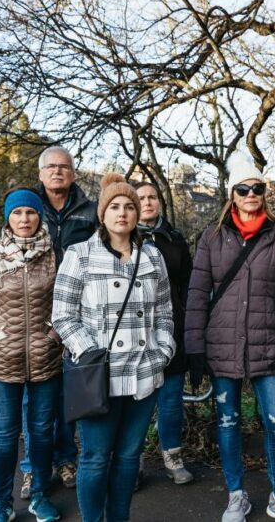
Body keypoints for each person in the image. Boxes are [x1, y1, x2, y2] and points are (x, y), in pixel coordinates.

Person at [185, 152, 275, 522]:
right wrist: (195, 348)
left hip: (268, 345)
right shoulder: (212, 236)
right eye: (244, 188)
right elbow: (196, 293)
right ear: (232, 194)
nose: (252, 194)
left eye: (258, 187)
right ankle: (236, 495)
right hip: (221, 344)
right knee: (227, 422)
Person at [52, 173, 175, 522]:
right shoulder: (80, 254)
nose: (122, 212)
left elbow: (165, 311)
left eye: (129, 207)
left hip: (143, 373)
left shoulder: (152, 257)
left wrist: (162, 349)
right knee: (94, 457)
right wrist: (89, 353)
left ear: (137, 214)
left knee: (127, 458)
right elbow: (62, 314)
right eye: (115, 206)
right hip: (99, 376)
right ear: (102, 214)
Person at [0, 187, 62, 522]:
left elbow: (68, 305)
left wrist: (54, 336)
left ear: (39, 216)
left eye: (30, 212)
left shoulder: (54, 255)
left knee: (42, 433)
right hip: (1, 364)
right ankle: (1, 502)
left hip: (46, 361)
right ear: (8, 217)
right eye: (17, 213)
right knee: (5, 437)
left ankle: (39, 496)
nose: (24, 219)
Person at [20, 145, 98, 499]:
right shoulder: (26, 208)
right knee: (32, 396)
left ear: (74, 173)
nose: (57, 172)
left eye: (64, 167)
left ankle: (67, 458)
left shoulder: (90, 211)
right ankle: (31, 468)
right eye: (50, 167)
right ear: (40, 173)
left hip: (75, 314)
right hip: (33, 314)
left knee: (68, 391)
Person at [134, 181, 194, 485]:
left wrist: (185, 319)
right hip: (133, 332)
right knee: (137, 401)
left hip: (171, 329)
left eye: (152, 197)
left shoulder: (174, 239)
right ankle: (134, 460)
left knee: (170, 401)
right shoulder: (121, 238)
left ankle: (172, 456)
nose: (147, 202)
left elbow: (188, 283)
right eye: (141, 198)